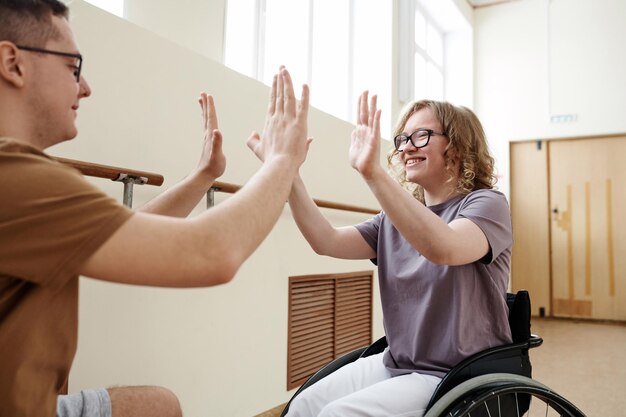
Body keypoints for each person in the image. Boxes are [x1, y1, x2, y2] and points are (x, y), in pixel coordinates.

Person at [0, 1, 310, 416]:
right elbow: (211, 253)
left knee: (158, 406)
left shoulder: (20, 178)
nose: (86, 86)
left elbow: (129, 232)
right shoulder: (16, 177)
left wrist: (202, 176)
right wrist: (283, 161)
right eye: (73, 67)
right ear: (12, 63)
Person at [264, 91, 513, 417]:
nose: (407, 146)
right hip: (397, 362)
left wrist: (372, 172)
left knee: (336, 415)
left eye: (421, 135)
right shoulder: (394, 219)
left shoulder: (487, 204)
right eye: (402, 138)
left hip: (455, 374)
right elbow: (326, 241)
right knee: (304, 406)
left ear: (458, 145)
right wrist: (287, 171)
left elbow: (444, 247)